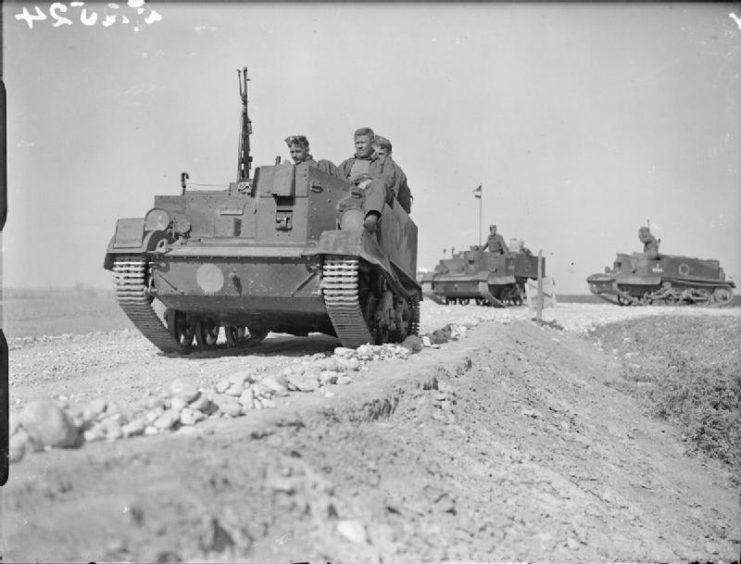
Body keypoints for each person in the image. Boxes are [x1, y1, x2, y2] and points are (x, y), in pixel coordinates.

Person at [337, 127, 396, 232]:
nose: (359, 146)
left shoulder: (383, 161)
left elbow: (388, 180)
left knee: (378, 184)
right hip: (350, 192)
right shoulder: (348, 163)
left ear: (373, 144)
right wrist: (353, 182)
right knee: (324, 164)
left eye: (363, 142)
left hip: (372, 193)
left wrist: (368, 180)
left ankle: (371, 218)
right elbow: (337, 177)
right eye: (357, 143)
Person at [371, 135, 413, 214]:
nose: (376, 157)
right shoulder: (375, 165)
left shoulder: (394, 170)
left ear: (389, 154)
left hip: (399, 209)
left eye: (380, 154)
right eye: (374, 153)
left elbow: (393, 195)